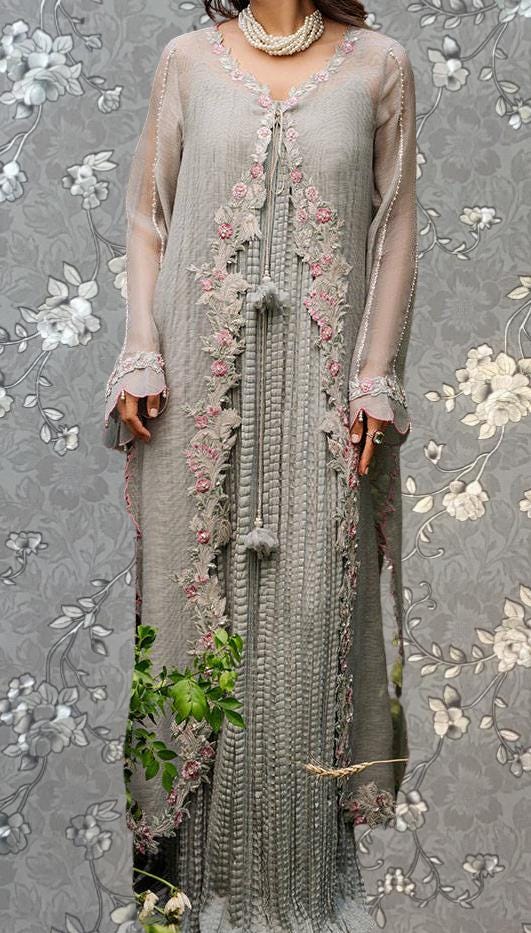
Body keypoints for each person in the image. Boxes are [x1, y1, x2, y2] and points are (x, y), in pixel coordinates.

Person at [103, 2, 418, 930]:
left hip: (325, 409)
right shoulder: (189, 61)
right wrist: (141, 349)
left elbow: (393, 226)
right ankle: (173, 905)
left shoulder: (378, 66)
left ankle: (296, 901)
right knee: (184, 617)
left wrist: (374, 378)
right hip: (194, 399)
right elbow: (145, 215)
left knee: (311, 632)